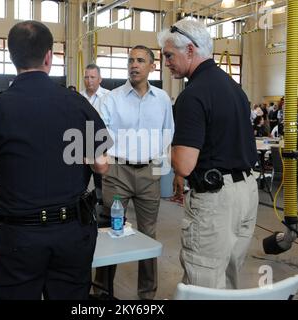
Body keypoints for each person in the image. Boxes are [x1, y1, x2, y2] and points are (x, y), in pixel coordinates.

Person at [0, 20, 110, 300]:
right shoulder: (78, 104)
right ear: (49, 57)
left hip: (17, 238)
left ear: (13, 58)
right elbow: (101, 165)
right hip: (71, 234)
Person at [158, 19, 258, 289]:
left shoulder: (193, 95)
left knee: (203, 283)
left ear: (190, 50)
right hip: (246, 193)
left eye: (169, 55)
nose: (165, 63)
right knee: (229, 276)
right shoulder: (234, 88)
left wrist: (166, 145)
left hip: (217, 202)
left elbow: (185, 165)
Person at [96, 45, 174, 300]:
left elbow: (168, 132)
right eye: (130, 60)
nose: (134, 65)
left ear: (153, 66)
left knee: (148, 233)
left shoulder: (162, 98)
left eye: (140, 60)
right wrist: (103, 161)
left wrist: (159, 166)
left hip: (149, 173)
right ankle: (102, 292)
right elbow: (97, 131)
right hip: (118, 172)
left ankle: (147, 295)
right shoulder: (113, 97)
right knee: (111, 230)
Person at [80, 64, 110, 206]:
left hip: (101, 149)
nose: (89, 80)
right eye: (86, 77)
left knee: (102, 185)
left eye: (93, 77)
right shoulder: (77, 98)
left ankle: (103, 212)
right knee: (80, 184)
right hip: (81, 149)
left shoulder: (109, 97)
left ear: (100, 79)